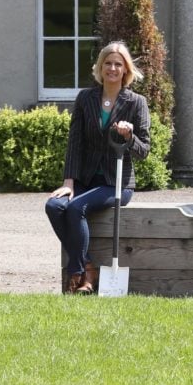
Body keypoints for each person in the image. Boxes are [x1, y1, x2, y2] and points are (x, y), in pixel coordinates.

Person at [45, 41, 151, 294]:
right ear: (100, 67)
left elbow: (144, 150)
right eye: (108, 63)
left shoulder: (136, 102)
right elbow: (75, 143)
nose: (112, 68)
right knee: (54, 205)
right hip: (85, 178)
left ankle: (78, 272)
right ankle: (87, 266)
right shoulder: (85, 98)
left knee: (76, 208)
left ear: (125, 70)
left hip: (117, 183)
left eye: (118, 64)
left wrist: (128, 137)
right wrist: (69, 181)